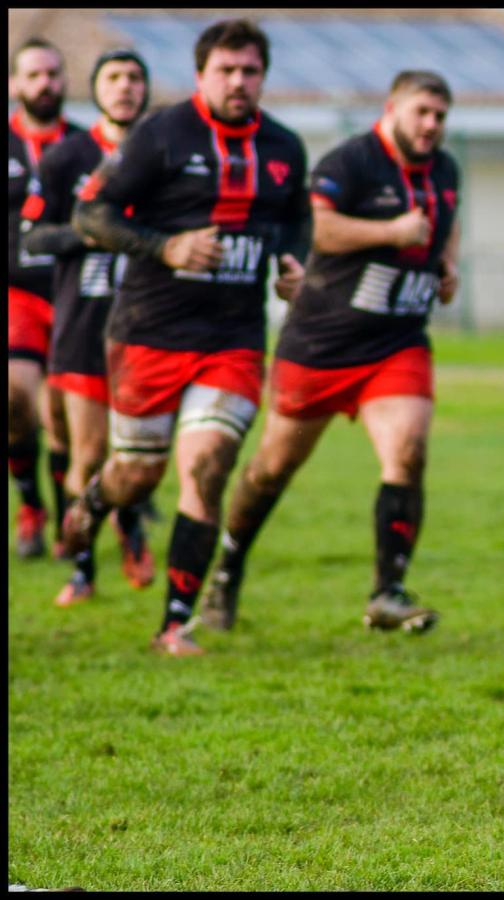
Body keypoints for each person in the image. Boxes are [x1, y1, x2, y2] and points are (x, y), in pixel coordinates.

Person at [63, 19, 309, 657]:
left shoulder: (283, 145)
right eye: (226, 70)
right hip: (148, 332)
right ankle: (95, 500)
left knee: (204, 466)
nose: (238, 82)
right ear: (201, 75)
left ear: (263, 75)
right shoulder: (161, 134)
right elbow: (91, 213)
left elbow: (293, 219)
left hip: (231, 338)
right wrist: (165, 246)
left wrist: (290, 262)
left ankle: (175, 623)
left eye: (249, 70)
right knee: (136, 476)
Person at [197, 70, 461, 635]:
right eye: (422, 112)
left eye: (440, 116)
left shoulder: (446, 168)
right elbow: (318, 229)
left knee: (408, 452)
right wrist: (391, 232)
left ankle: (387, 591)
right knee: (271, 469)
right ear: (393, 108)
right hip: (322, 343)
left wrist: (447, 265)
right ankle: (227, 568)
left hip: (397, 342)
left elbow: (445, 222)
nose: (432, 126)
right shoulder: (353, 160)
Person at [21, 48, 156, 606]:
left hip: (148, 325)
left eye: (134, 79)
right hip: (82, 324)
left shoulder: (164, 153)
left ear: (146, 90)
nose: (125, 88)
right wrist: (92, 234)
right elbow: (33, 238)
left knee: (139, 457)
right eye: (114, 78)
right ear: (96, 88)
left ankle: (129, 526)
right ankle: (83, 570)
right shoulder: (66, 156)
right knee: (87, 454)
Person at [9, 37, 81, 559]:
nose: (45, 84)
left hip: (75, 294)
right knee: (14, 398)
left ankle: (67, 525)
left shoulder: (85, 145)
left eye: (53, 73)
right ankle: (31, 504)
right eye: (34, 75)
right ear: (15, 84)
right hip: (15, 294)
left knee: (62, 415)